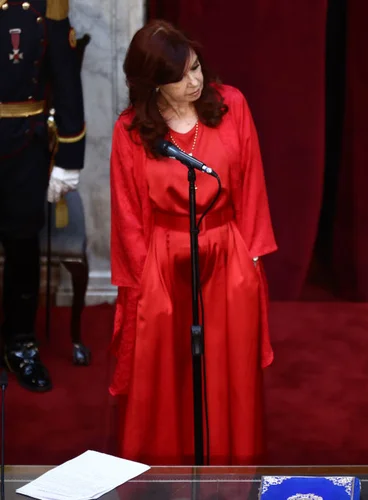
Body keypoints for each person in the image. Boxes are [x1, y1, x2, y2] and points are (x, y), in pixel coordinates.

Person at [109, 19, 277, 465]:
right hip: (162, 261)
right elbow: (127, 214)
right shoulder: (130, 130)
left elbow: (252, 183)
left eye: (197, 67)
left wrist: (253, 256)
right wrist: (145, 282)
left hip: (228, 252)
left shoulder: (232, 105)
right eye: (181, 76)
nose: (195, 81)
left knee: (230, 374)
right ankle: (167, 482)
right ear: (154, 86)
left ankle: (229, 477)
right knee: (164, 376)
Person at [1, 0, 86, 392]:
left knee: (22, 250)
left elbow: (66, 77)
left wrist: (69, 156)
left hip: (24, 149)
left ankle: (20, 345)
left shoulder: (46, 3)